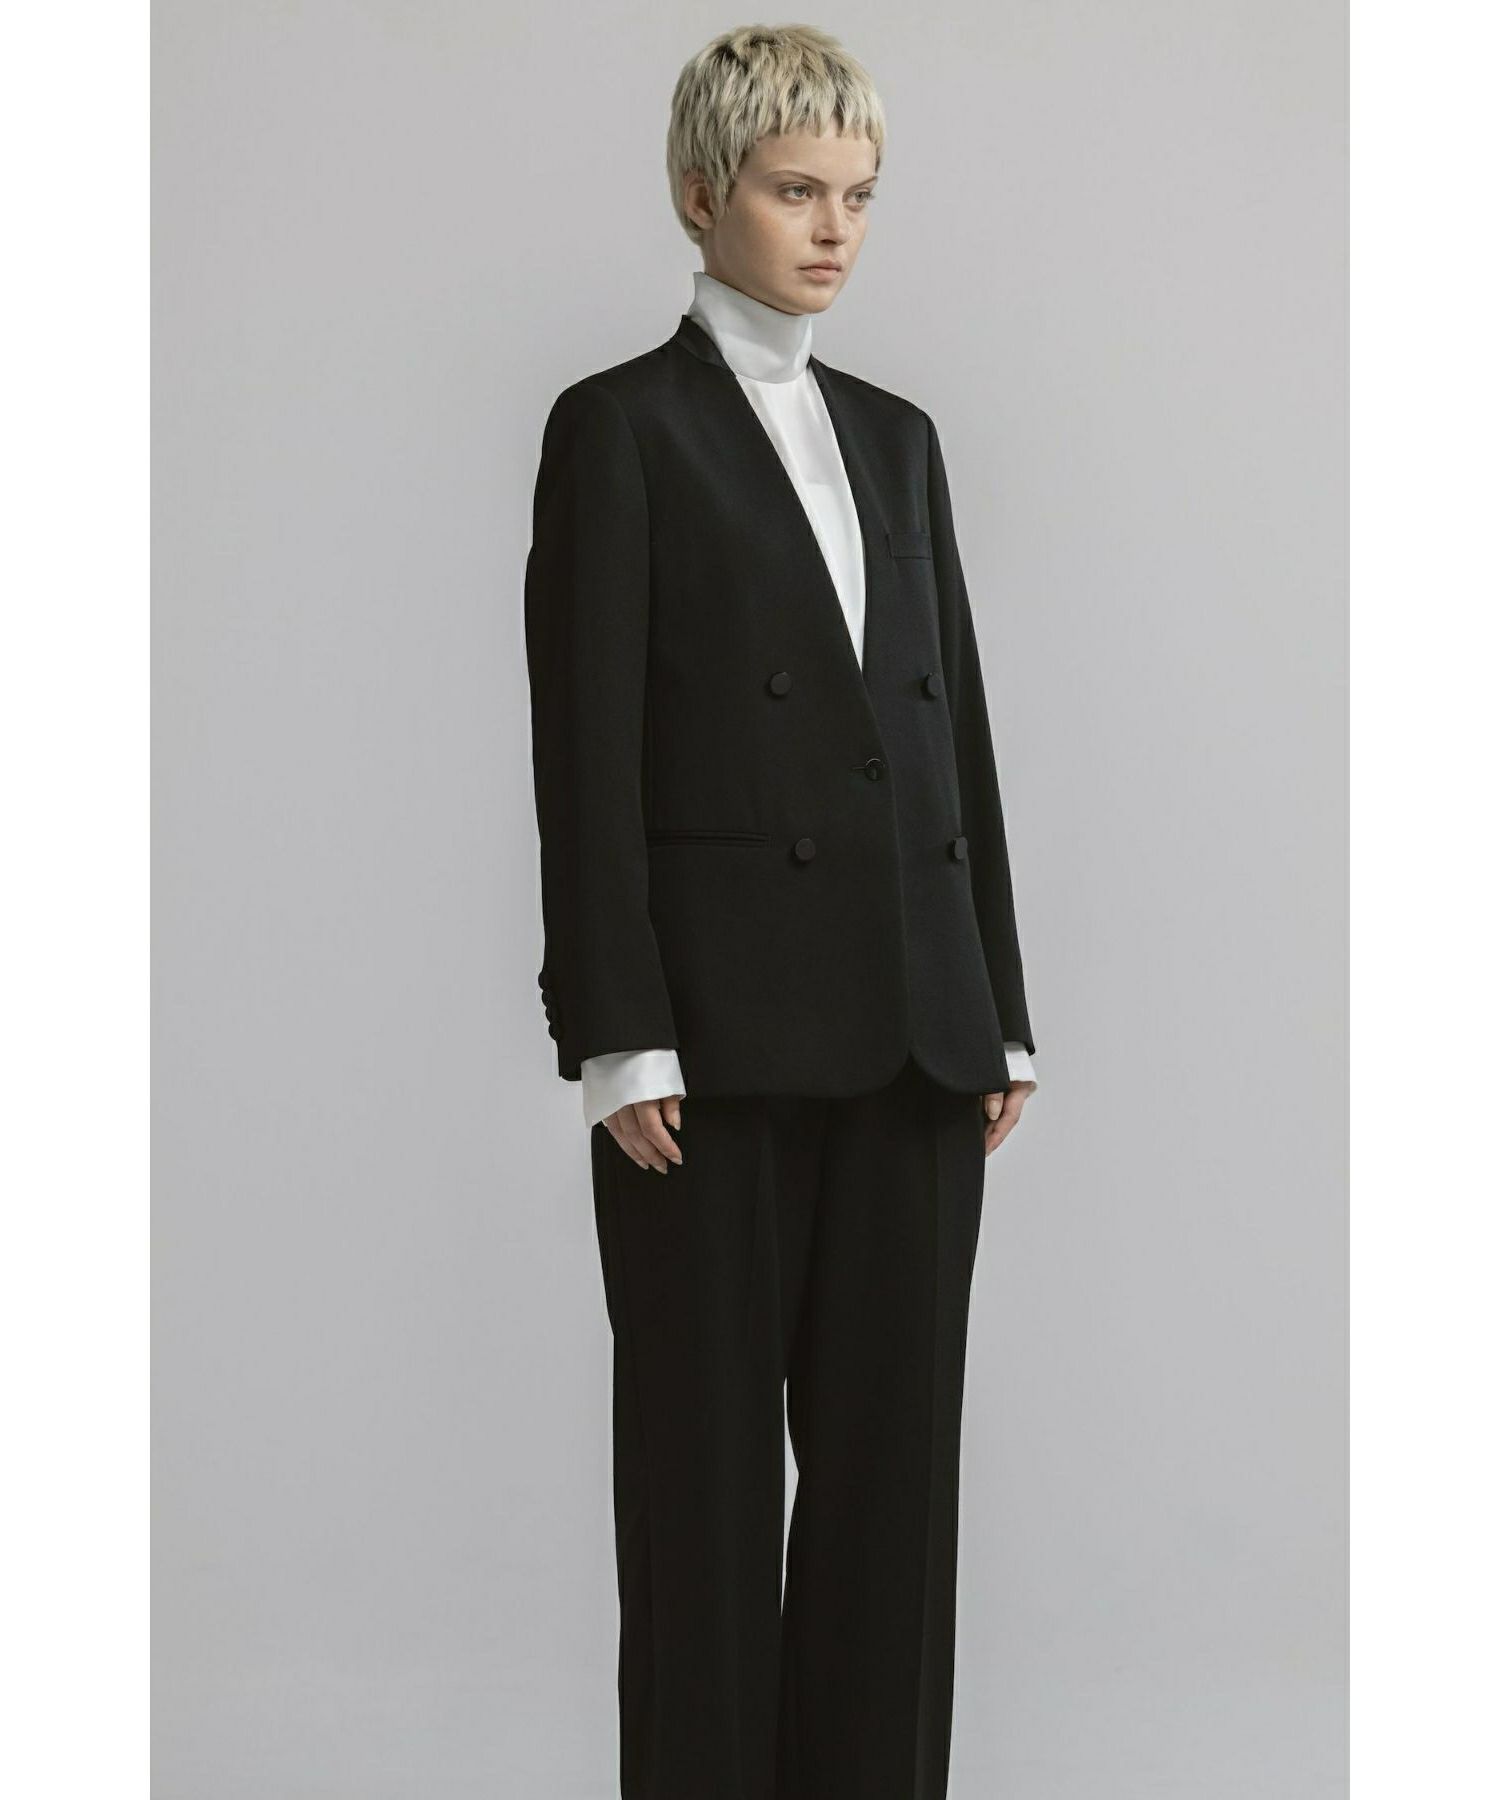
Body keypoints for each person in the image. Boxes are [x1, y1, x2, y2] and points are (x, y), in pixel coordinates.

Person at [523, 24, 1037, 1798]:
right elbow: (585, 749)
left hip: (914, 1042)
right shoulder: (618, 428)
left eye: (859, 198)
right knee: (705, 1504)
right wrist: (617, 1032)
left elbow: (950, 733)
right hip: (710, 1056)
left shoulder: (899, 437)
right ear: (701, 194)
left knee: (896, 1514)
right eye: (795, 191)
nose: (833, 230)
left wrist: (997, 1004)